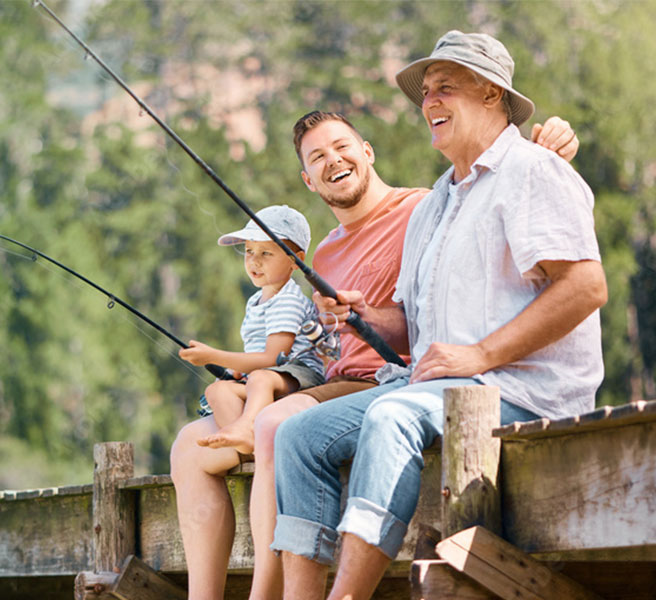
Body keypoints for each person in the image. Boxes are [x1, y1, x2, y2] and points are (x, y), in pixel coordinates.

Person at [167, 107, 579, 599]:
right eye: (317, 157)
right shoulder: (324, 254)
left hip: (386, 383)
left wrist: (549, 148)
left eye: (342, 147)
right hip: (330, 384)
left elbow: (485, 209)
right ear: (308, 181)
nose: (332, 161)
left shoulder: (423, 210)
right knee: (188, 447)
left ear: (367, 151)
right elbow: (327, 341)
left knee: (275, 426)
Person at [270, 31, 607, 600]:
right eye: (425, 92)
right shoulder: (435, 204)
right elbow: (416, 327)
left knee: (391, 417)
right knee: (297, 435)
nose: (428, 103)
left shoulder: (533, 171)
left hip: (521, 390)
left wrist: (481, 354)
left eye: (445, 88)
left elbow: (585, 286)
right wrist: (363, 316)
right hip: (441, 387)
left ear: (493, 94)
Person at [178, 205, 327, 454]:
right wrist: (235, 371)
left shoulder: (287, 299)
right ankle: (248, 446)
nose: (254, 261)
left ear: (296, 260)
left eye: (266, 253)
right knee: (217, 390)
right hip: (268, 376)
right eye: (249, 251)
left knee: (259, 378)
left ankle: (248, 429)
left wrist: (212, 356)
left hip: (299, 376)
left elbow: (273, 358)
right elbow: (256, 352)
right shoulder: (256, 301)